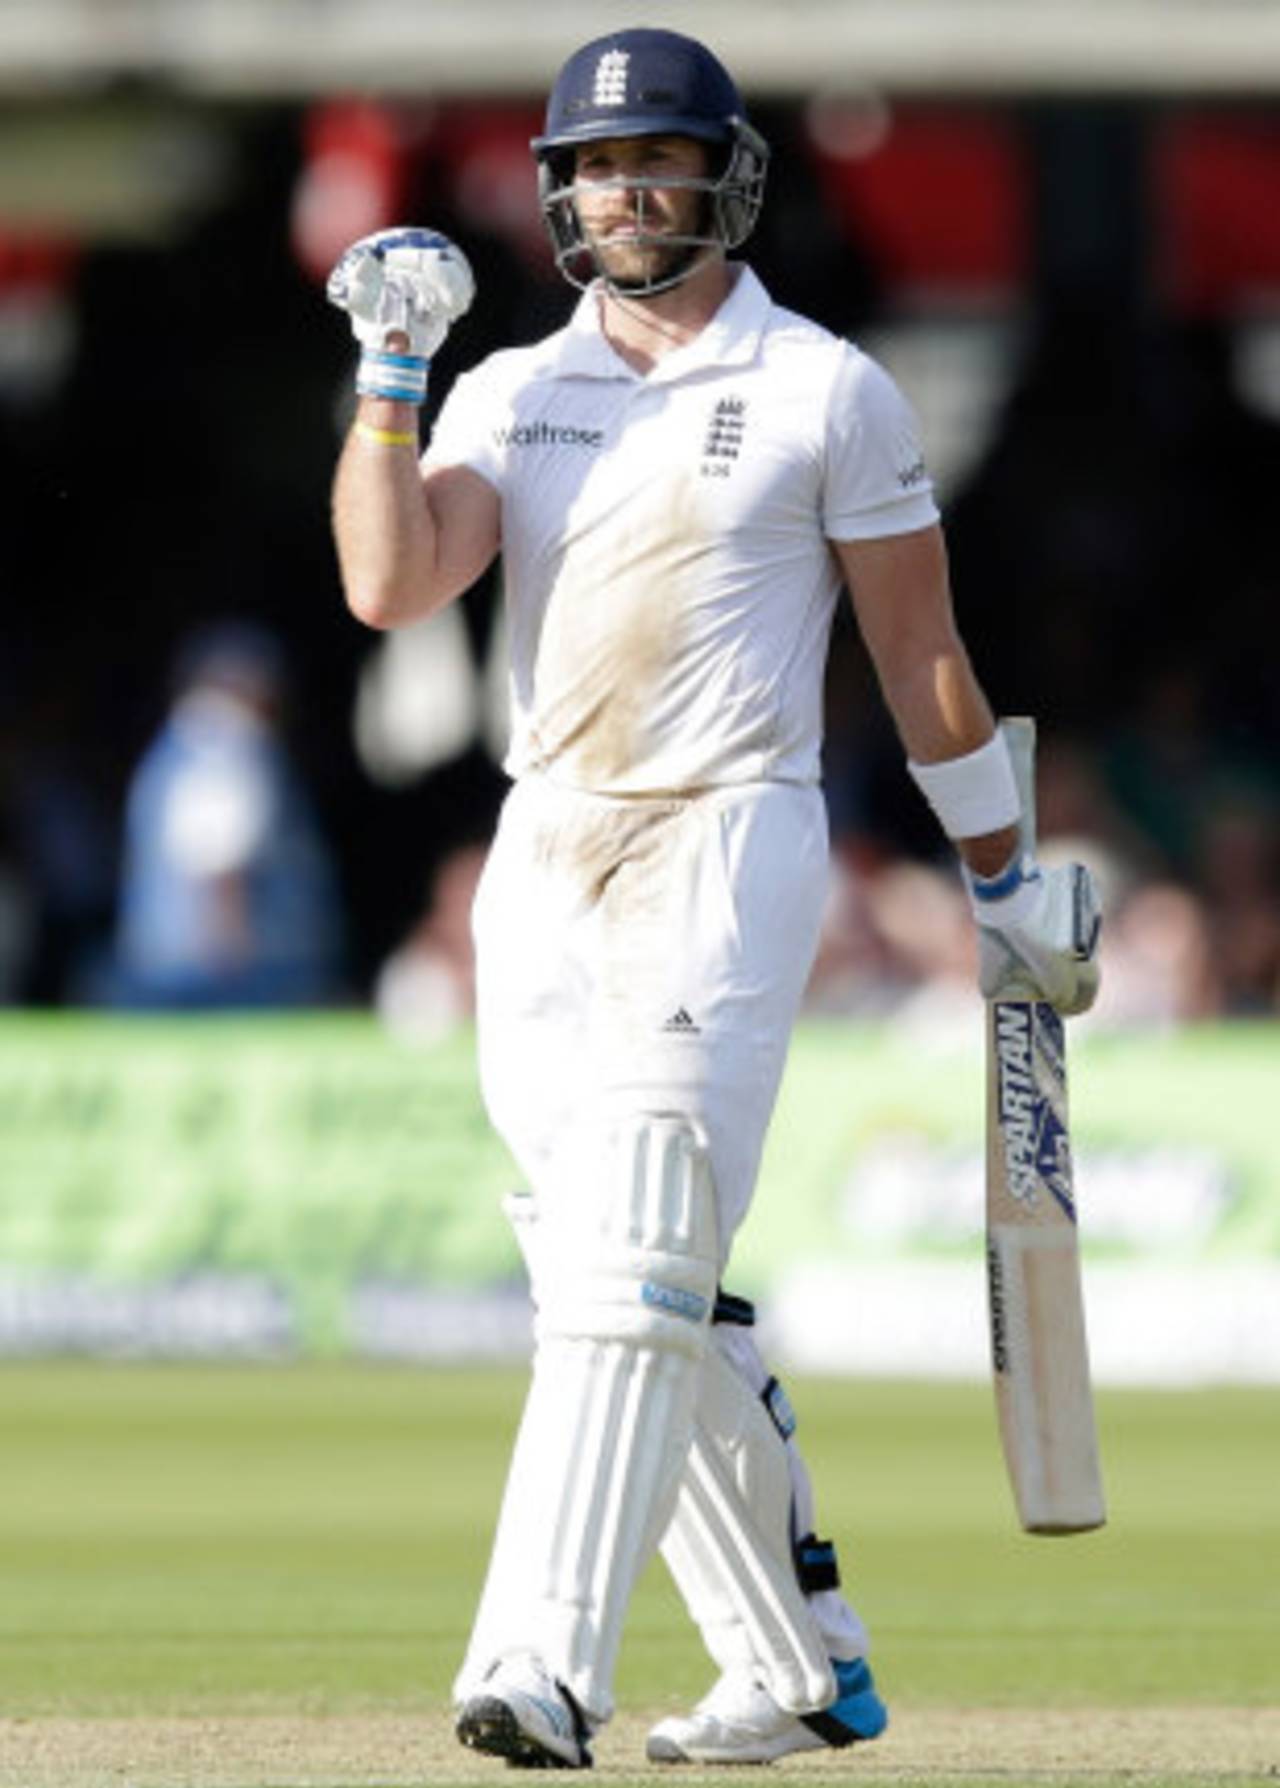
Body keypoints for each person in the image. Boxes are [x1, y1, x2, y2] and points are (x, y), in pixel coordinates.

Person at [328, 26, 1101, 1769]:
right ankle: (803, 1662)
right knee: (613, 1276)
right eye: (595, 166)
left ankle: (539, 1665)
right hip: (548, 851)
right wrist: (389, 373)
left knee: (636, 1259)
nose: (621, 190)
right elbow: (388, 584)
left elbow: (924, 660)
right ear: (559, 190)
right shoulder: (514, 389)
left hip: (729, 840)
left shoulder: (829, 386)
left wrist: (1006, 879)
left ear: (723, 175)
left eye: (654, 160)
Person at [108, 621, 344, 1009]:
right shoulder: (226, 742)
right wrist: (232, 960)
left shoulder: (179, 744)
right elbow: (218, 859)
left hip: (171, 965)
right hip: (220, 971)